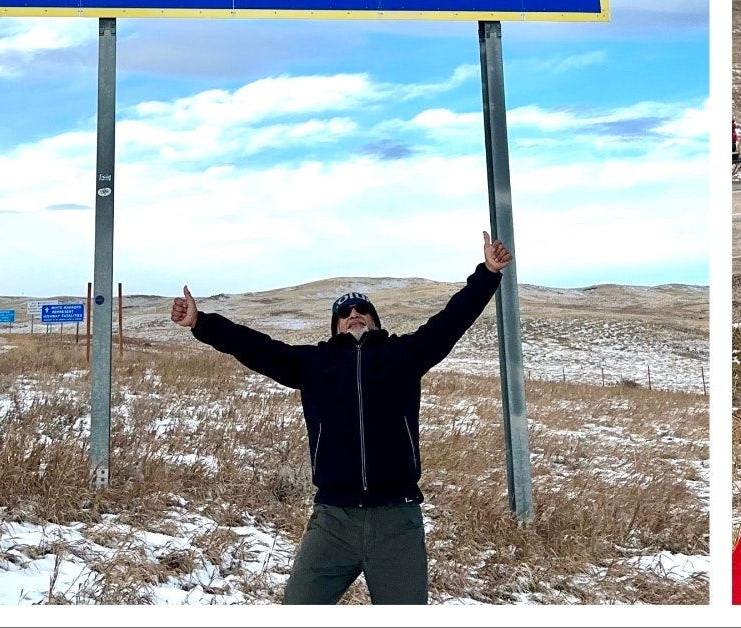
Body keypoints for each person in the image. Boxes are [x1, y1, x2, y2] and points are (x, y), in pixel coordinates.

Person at [171, 231, 514, 605]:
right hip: (333, 521)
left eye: (361, 311)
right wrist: (201, 324)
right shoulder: (313, 364)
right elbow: (257, 348)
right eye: (345, 314)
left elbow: (452, 320)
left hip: (396, 520)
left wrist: (488, 273)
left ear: (374, 321)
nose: (354, 316)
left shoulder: (404, 356)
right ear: (336, 326)